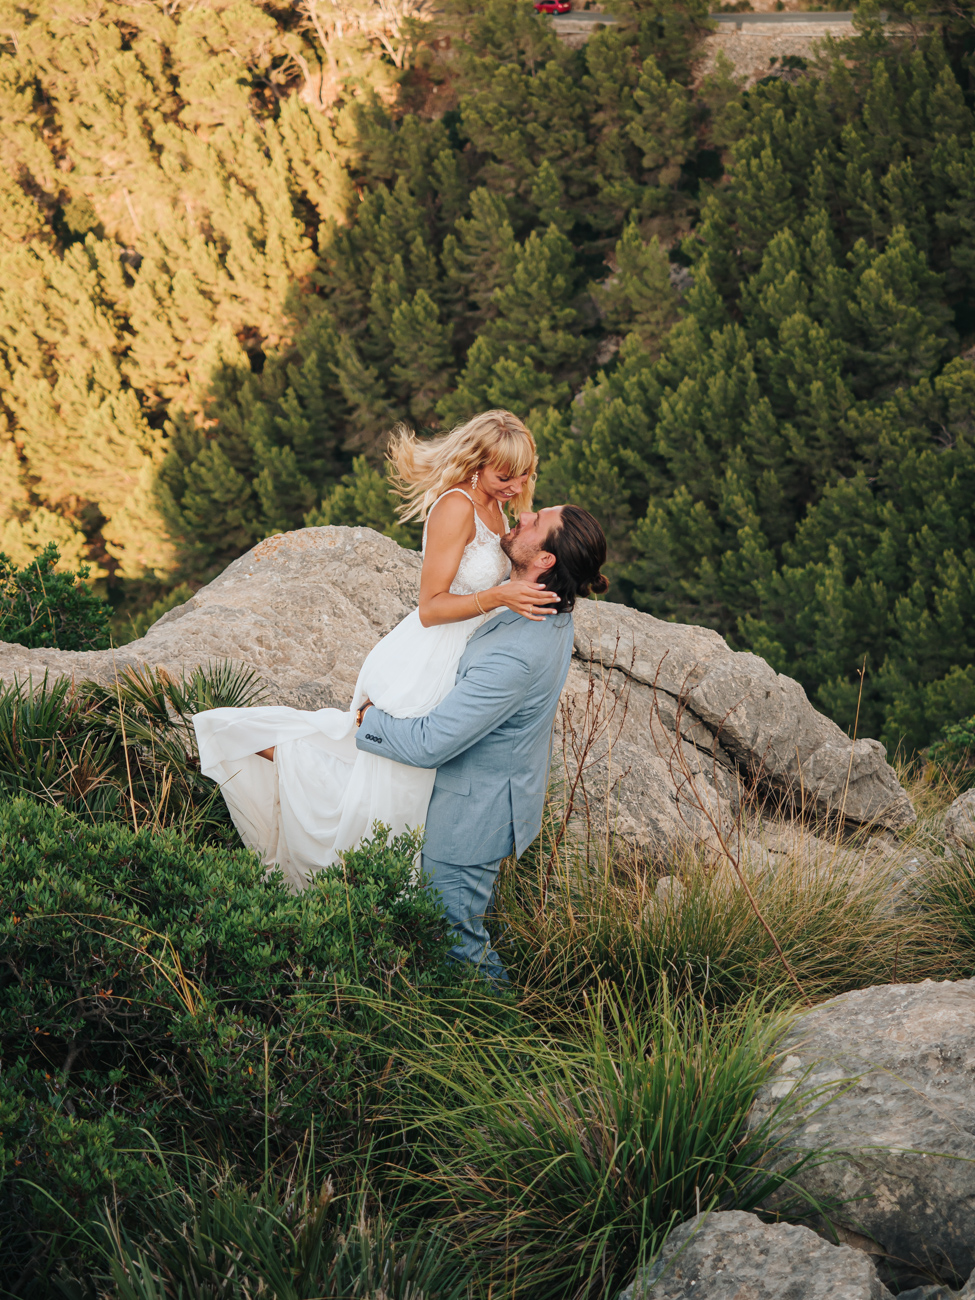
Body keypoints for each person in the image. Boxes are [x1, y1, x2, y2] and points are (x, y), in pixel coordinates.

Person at [193, 410, 559, 889]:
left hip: (463, 655)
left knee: (404, 785)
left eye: (523, 475)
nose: (516, 486)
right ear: (476, 463)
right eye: (504, 476)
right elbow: (430, 607)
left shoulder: (496, 505)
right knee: (395, 781)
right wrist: (497, 597)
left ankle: (391, 889)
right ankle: (350, 864)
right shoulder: (456, 507)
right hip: (430, 656)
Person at [355, 504, 609, 982]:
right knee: (458, 929)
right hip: (494, 796)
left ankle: (501, 1025)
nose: (525, 513)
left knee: (456, 939)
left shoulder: (516, 653)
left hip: (472, 816)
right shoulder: (544, 609)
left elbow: (430, 744)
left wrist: (367, 720)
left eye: (537, 521)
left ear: (546, 561)